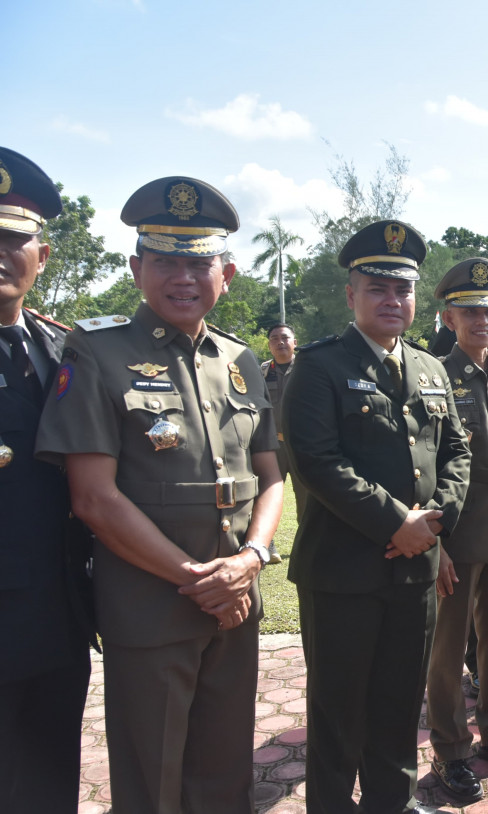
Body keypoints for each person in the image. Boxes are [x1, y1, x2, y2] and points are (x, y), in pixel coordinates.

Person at [36, 176, 283, 814]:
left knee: (226, 775)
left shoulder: (239, 359)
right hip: (151, 605)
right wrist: (201, 578)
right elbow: (93, 498)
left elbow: (271, 476)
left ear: (225, 273)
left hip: (235, 599)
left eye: (198, 262)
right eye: (166, 260)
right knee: (153, 781)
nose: (183, 277)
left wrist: (250, 561)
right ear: (136, 267)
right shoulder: (94, 351)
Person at [282, 219, 470, 814]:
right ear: (351, 295)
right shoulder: (317, 367)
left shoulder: (432, 368)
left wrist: (436, 518)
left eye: (404, 290)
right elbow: (315, 460)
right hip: (343, 573)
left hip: (415, 573)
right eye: (378, 289)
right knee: (338, 713)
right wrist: (397, 523)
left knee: (397, 705)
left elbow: (458, 451)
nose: (393, 301)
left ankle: (393, 802)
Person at [0, 147, 93, 814]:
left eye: (13, 239)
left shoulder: (62, 349)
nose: (0, 253)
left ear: (42, 255)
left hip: (60, 618)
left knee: (48, 779)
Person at [425, 258, 488, 803]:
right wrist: (436, 542)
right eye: (469, 310)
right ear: (448, 317)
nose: (482, 319)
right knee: (446, 650)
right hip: (457, 533)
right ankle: (449, 750)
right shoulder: (433, 377)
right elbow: (423, 464)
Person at [260, 321, 297, 557]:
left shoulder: (308, 368)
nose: (280, 342)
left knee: (308, 498)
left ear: (295, 342)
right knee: (266, 494)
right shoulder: (261, 371)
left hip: (301, 445)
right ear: (270, 345)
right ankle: (267, 545)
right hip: (272, 445)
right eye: (274, 339)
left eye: (285, 337)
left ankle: (306, 546)